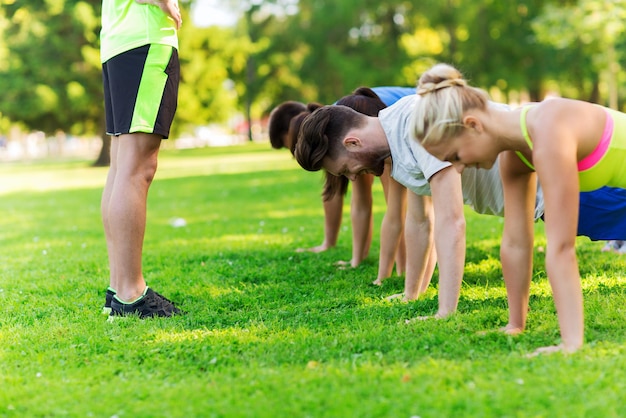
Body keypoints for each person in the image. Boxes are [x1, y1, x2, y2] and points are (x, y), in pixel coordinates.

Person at [294, 92, 626, 322]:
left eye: (344, 169)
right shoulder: (395, 143)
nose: (352, 178)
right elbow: (420, 221)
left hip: (560, 183)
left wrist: (445, 311)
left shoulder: (413, 125)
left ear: (352, 142)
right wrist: (413, 293)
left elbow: (452, 221)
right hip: (537, 195)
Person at [411, 63, 626, 354]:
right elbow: (516, 242)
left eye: (456, 156)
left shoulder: (549, 130)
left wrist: (570, 344)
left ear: (473, 125)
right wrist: (515, 324)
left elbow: (562, 248)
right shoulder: (514, 156)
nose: (458, 169)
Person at [268, 87, 414, 275]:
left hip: (425, 115)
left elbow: (397, 212)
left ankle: (406, 265)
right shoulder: (336, 129)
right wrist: (355, 259)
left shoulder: (349, 126)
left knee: (400, 202)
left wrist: (401, 271)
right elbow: (357, 202)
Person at [100, 0, 182, 318]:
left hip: (120, 42)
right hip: (144, 39)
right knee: (137, 168)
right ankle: (130, 294)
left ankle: (119, 286)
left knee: (122, 166)